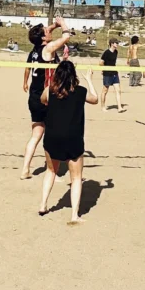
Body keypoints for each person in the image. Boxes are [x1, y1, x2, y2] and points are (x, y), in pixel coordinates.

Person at [37, 61, 99, 223]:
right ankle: (74, 215)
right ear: (73, 76)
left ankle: (43, 205)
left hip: (52, 136)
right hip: (73, 138)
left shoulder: (50, 90)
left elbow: (43, 100)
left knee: (50, 171)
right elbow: (95, 99)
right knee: (76, 177)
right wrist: (89, 79)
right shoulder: (80, 91)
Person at [20, 17, 75, 178]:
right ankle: (53, 171)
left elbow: (45, 34)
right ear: (43, 38)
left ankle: (25, 169)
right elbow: (66, 37)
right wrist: (63, 23)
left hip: (34, 96)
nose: (48, 31)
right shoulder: (48, 48)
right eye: (46, 31)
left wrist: (53, 26)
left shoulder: (34, 50)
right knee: (53, 136)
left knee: (36, 134)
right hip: (47, 98)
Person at [99, 38, 125, 113]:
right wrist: (103, 69)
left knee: (118, 90)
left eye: (117, 43)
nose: (117, 44)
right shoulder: (106, 52)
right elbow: (101, 62)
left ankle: (119, 107)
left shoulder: (116, 52)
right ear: (112, 44)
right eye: (116, 43)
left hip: (114, 73)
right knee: (105, 90)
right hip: (107, 73)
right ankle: (103, 107)